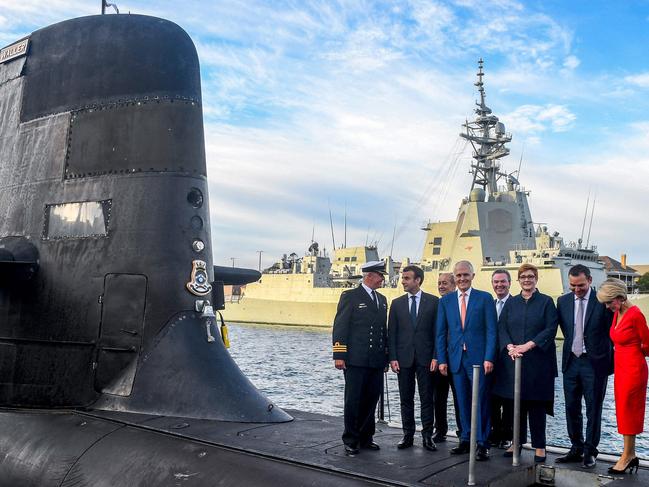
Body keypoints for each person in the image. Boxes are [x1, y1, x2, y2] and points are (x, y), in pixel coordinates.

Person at [493, 264, 558, 463]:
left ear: (536, 278)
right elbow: (501, 327)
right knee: (514, 406)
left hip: (538, 364)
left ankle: (539, 445)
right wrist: (510, 347)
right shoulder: (511, 303)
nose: (527, 280)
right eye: (523, 277)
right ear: (518, 280)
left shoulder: (546, 302)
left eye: (530, 276)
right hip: (513, 363)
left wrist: (528, 345)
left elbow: (550, 328)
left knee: (536, 406)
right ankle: (516, 442)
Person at [435, 260, 497, 461]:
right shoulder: (446, 301)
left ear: (472, 276)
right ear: (455, 278)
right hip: (456, 360)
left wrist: (489, 357)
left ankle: (482, 443)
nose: (462, 279)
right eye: (458, 276)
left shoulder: (485, 298)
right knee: (461, 401)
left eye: (465, 275)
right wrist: (442, 360)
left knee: (480, 401)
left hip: (479, 360)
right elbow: (441, 333)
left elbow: (491, 331)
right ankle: (466, 439)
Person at [555, 264, 614, 469]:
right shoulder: (562, 301)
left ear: (589, 280)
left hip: (595, 364)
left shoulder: (602, 302)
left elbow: (611, 331)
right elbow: (566, 329)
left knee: (593, 409)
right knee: (571, 408)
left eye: (580, 285)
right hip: (571, 362)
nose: (576, 290)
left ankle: (590, 451)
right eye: (572, 286)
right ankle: (576, 448)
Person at [332, 261, 389, 456]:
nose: (383, 279)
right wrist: (339, 355)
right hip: (355, 359)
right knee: (354, 400)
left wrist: (386, 357)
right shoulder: (351, 296)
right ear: (370, 276)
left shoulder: (382, 300)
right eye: (381, 275)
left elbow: (383, 330)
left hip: (375, 360)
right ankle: (351, 439)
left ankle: (366, 437)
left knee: (371, 399)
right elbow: (341, 326)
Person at [596, 278, 648, 474]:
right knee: (623, 409)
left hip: (633, 368)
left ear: (619, 297)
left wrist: (633, 353)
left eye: (609, 302)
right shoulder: (618, 312)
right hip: (622, 367)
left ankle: (627, 456)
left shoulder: (635, 315)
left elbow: (647, 343)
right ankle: (630, 454)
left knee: (630, 409)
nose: (607, 306)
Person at [388, 265, 439, 451]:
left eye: (407, 278)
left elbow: (437, 333)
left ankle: (427, 436)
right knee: (405, 399)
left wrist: (436, 356)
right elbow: (391, 333)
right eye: (403, 278)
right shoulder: (397, 303)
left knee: (427, 399)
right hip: (403, 359)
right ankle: (407, 435)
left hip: (426, 360)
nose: (403, 281)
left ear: (418, 280)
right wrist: (392, 357)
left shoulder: (434, 302)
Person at [433, 272, 462, 443]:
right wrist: (436, 357)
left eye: (445, 283)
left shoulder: (460, 304)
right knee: (439, 398)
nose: (441, 286)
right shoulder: (435, 305)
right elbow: (434, 335)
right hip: (439, 359)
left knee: (460, 398)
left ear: (454, 285)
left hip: (458, 359)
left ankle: (463, 431)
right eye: (439, 283)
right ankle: (440, 430)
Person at [489, 269, 513, 450]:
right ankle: (494, 433)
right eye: (496, 282)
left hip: (510, 359)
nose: (499, 285)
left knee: (509, 400)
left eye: (503, 282)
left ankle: (507, 435)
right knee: (492, 399)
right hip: (491, 358)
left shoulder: (516, 304)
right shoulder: (489, 304)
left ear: (509, 283)